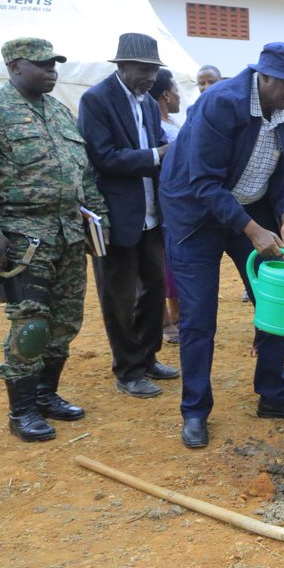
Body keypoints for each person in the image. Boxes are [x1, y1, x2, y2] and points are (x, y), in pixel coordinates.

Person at [0, 37, 110, 441]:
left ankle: (46, 395)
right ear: (14, 66)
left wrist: (99, 222)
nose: (51, 71)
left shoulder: (59, 113)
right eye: (41, 64)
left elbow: (84, 176)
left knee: (65, 324)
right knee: (31, 325)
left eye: (54, 63)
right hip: (23, 238)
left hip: (70, 235)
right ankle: (21, 411)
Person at [159, 42, 284, 449]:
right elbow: (203, 182)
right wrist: (253, 230)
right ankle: (194, 411)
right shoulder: (220, 103)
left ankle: (273, 395)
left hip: (249, 211)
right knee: (199, 317)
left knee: (276, 301)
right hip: (195, 216)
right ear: (264, 76)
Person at [79, 33, 179, 399]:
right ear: (121, 66)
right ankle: (127, 370)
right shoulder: (96, 100)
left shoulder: (149, 104)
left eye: (154, 70)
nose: (151, 78)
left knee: (153, 289)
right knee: (118, 296)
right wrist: (157, 155)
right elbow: (102, 157)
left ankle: (148, 356)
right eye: (143, 70)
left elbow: (156, 151)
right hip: (115, 216)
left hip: (152, 215)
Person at [148, 68, 183, 345]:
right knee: (162, 262)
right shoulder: (158, 126)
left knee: (173, 261)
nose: (180, 96)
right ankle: (164, 320)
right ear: (166, 94)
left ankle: (176, 316)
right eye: (177, 90)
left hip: (178, 203)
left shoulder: (170, 120)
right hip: (163, 200)